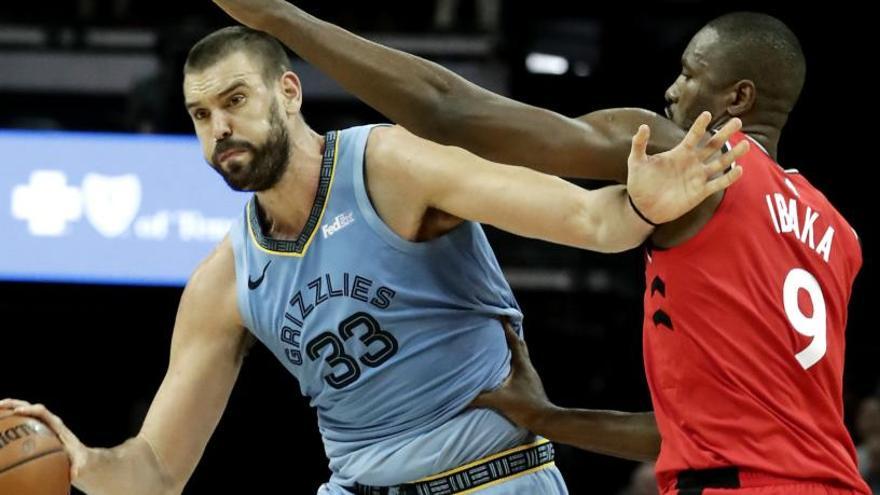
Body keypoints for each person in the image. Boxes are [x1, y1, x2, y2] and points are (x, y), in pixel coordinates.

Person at [1, 24, 743, 495]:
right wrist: (87, 462)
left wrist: (643, 200)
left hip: (488, 478)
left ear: (288, 93)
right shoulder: (224, 278)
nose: (218, 128)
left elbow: (588, 218)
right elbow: (159, 472)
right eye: (201, 114)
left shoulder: (388, 164)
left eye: (233, 100)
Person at [208, 3, 869, 494]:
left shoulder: (681, 150)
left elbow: (450, 113)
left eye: (690, 75)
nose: (672, 91)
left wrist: (282, 20)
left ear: (738, 98)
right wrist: (545, 416)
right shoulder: (838, 234)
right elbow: (698, 432)